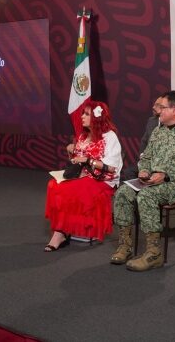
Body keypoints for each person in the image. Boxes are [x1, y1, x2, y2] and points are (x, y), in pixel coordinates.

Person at [111, 90, 175, 271]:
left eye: (162, 107)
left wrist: (167, 175)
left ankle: (154, 253)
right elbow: (145, 157)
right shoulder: (157, 132)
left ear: (174, 110)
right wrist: (144, 170)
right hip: (152, 181)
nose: (158, 111)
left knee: (147, 196)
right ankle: (125, 245)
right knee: (123, 192)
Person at [44, 101, 122, 251]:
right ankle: (64, 227)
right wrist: (71, 152)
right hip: (82, 175)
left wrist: (88, 160)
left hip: (102, 179)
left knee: (68, 189)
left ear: (96, 117)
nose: (82, 117)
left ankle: (59, 233)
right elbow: (76, 161)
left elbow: (112, 168)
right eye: (83, 113)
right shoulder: (83, 135)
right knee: (53, 185)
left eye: (86, 114)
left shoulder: (109, 137)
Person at [120, 95, 163, 181]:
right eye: (154, 104)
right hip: (147, 160)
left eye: (157, 105)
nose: (153, 107)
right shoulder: (152, 121)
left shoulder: (170, 126)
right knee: (128, 172)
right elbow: (144, 141)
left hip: (160, 164)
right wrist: (143, 157)